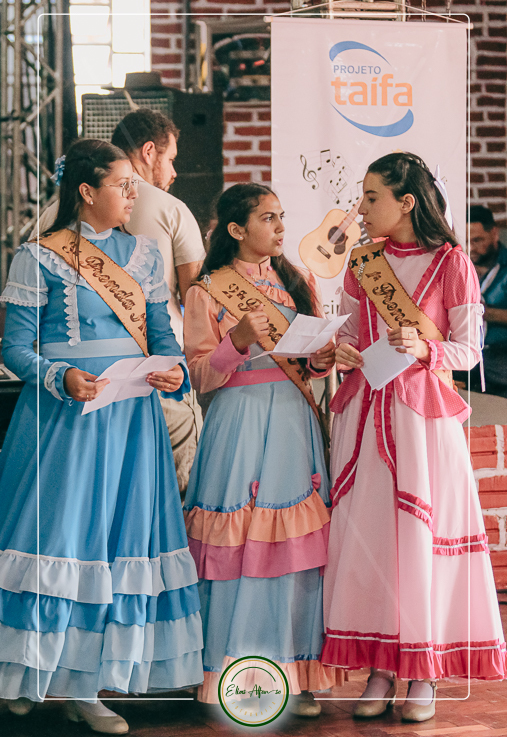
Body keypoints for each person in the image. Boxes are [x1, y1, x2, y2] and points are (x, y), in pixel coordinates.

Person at [0, 139, 203, 733]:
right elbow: (14, 347)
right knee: (61, 540)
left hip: (131, 419)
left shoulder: (144, 255)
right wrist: (60, 376)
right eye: (122, 184)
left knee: (116, 543)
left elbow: (163, 337)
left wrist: (173, 370)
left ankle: (87, 687)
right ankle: (27, 672)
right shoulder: (38, 256)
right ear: (87, 191)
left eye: (135, 183)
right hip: (66, 419)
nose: (133, 194)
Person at [321, 153, 505, 723]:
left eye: (371, 197)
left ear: (406, 202)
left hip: (421, 420)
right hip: (365, 414)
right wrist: (341, 350)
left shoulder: (452, 262)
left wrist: (426, 348)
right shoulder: (362, 262)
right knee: (373, 540)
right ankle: (380, 667)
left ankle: (421, 670)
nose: (361, 208)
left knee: (419, 539)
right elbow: (351, 333)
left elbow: (469, 351)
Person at [182, 183, 342, 717]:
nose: (280, 227)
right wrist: (237, 342)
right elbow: (199, 375)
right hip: (240, 421)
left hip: (293, 418)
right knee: (240, 541)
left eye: (281, 216)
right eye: (268, 218)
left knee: (294, 544)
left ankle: (296, 673)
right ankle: (235, 672)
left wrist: (320, 360)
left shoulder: (298, 282)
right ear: (236, 229)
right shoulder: (207, 291)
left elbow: (309, 362)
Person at [37, 108, 205, 494]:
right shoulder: (170, 208)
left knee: (87, 491)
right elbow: (196, 301)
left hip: (73, 381)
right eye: (170, 158)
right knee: (162, 488)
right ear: (148, 151)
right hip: (152, 375)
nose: (173, 172)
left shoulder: (51, 214)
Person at [467, 205, 507, 396]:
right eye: (466, 241)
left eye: (477, 240)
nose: (470, 248)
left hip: (500, 353)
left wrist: (483, 312)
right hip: (466, 352)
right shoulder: (459, 265)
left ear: (494, 234)